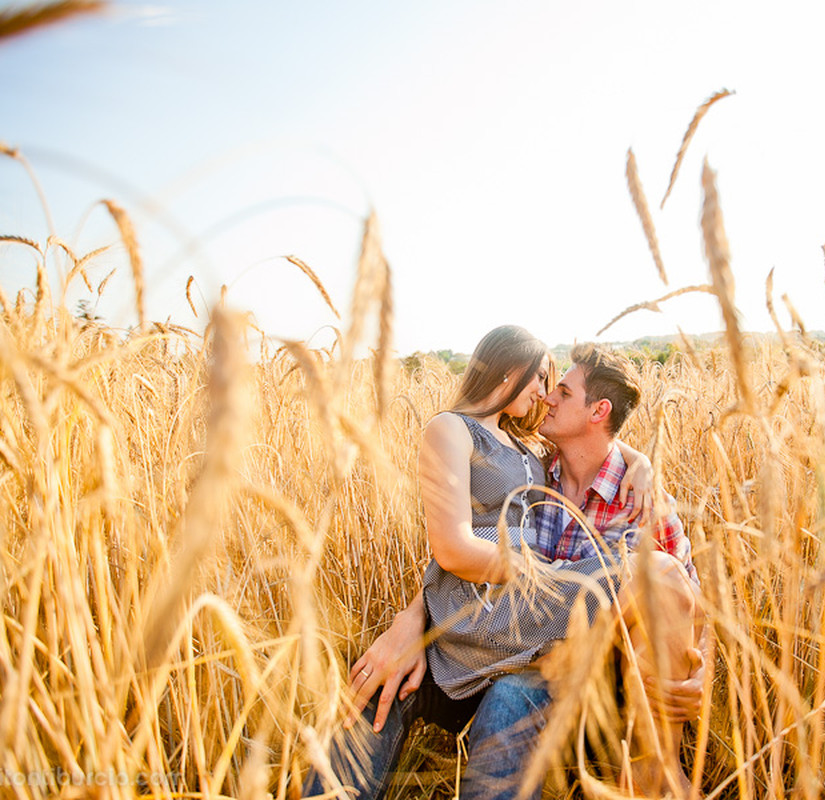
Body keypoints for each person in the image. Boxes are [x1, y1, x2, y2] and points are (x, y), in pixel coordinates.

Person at [303, 330, 707, 799]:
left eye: (562, 390)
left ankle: (655, 773)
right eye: (544, 381)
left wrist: (698, 674)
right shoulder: (536, 462)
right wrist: (414, 616)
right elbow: (457, 548)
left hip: (580, 667)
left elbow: (689, 598)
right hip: (496, 633)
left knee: (657, 573)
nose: (548, 397)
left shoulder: (636, 497)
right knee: (377, 693)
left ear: (598, 412)